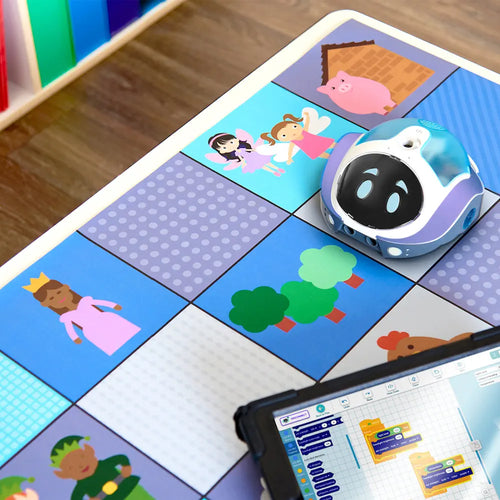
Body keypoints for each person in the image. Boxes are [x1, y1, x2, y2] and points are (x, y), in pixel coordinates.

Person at [23, 273, 140, 355]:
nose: (59, 298)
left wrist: (113, 305)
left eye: (59, 292)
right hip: (94, 332)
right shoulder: (67, 316)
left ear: (66, 288)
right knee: (116, 346)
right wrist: (75, 338)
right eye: (52, 298)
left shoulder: (85, 302)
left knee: (131, 335)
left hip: (108, 320)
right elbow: (69, 328)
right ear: (45, 304)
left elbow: (99, 302)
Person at [50, 435, 154, 500]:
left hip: (130, 488)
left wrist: (126, 466)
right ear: (64, 475)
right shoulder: (82, 485)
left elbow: (121, 458)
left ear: (89, 452)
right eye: (71, 467)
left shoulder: (104, 465)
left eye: (82, 457)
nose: (81, 465)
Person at [260, 112, 335, 164]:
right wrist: (289, 158)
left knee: (331, 145)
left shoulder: (303, 132)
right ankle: (334, 160)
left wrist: (307, 117)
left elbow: (307, 124)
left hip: (318, 142)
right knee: (324, 155)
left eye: (294, 127)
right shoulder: (293, 142)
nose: (292, 132)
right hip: (311, 149)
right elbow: (290, 150)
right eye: (284, 135)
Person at [207, 131, 285, 176]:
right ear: (222, 151)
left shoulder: (242, 146)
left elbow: (248, 149)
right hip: (250, 160)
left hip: (254, 155)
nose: (230, 146)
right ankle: (273, 171)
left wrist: (254, 150)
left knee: (266, 162)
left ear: (236, 139)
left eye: (231, 142)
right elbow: (241, 158)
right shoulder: (235, 154)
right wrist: (244, 163)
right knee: (262, 166)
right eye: (224, 147)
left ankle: (277, 168)